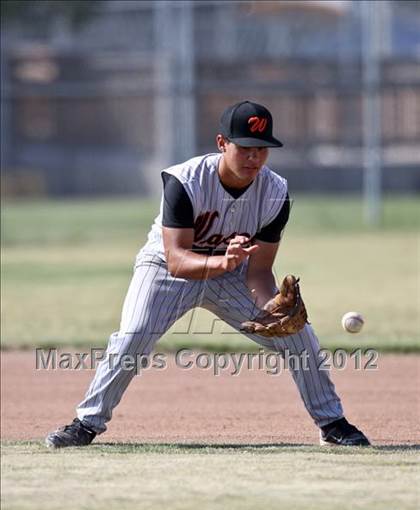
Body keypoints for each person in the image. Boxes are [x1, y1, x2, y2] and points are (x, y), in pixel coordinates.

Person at [46, 101, 370, 448]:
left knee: (298, 336)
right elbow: (176, 260)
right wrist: (222, 263)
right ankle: (86, 423)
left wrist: (272, 307)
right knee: (134, 335)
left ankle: (332, 423)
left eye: (262, 149)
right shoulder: (185, 181)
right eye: (245, 148)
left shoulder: (275, 193)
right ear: (222, 143)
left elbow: (259, 271)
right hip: (167, 271)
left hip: (233, 276)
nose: (254, 158)